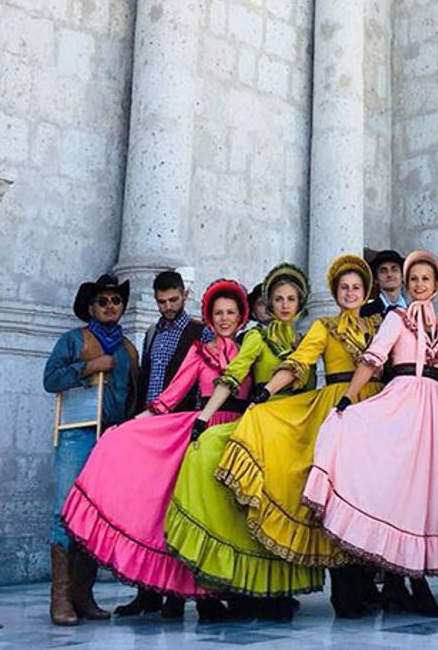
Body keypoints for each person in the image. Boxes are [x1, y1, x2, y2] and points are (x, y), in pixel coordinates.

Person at [62, 279, 254, 622]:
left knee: (232, 518)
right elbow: (171, 394)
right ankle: (202, 598)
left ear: (241, 317)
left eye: (231, 312)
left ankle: (235, 592)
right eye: (219, 313)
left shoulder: (253, 348)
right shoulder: (200, 351)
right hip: (205, 432)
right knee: (200, 516)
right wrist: (133, 424)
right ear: (210, 317)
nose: (225, 318)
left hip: (242, 434)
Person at [216, 255, 384, 619]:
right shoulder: (323, 326)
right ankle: (345, 590)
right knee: (340, 494)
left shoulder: (379, 324)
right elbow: (300, 363)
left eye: (356, 287)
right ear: (336, 294)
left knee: (370, 495)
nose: (351, 293)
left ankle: (369, 582)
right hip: (339, 409)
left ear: (366, 291)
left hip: (376, 409)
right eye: (344, 288)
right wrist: (265, 392)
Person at [163, 264, 322, 618]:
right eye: (277, 298)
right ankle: (245, 592)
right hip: (264, 428)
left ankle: (278, 593)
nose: (284, 305)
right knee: (257, 510)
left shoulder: (308, 341)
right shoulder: (255, 338)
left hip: (298, 433)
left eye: (291, 299)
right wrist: (204, 418)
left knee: (288, 511)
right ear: (268, 302)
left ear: (300, 304)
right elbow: (233, 376)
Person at [304, 250, 438, 617]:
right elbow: (373, 359)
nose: (418, 285)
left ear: (436, 285)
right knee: (399, 491)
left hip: (433, 407)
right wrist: (348, 400)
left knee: (426, 493)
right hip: (400, 400)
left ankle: (412, 580)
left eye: (425, 280)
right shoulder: (395, 319)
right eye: (413, 279)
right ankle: (405, 582)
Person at [43, 273, 139, 626]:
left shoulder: (128, 348)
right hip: (77, 435)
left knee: (96, 516)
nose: (110, 306)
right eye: (103, 301)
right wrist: (89, 367)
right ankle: (61, 598)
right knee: (64, 512)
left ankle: (83, 595)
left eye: (116, 301)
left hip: (112, 440)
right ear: (90, 308)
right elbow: (50, 379)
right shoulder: (73, 340)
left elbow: (134, 396)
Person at [117, 269, 206, 618]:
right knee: (147, 513)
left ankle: (176, 596)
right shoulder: (153, 332)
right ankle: (147, 593)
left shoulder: (200, 330)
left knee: (175, 510)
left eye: (173, 300)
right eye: (162, 301)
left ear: (184, 295)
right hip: (149, 427)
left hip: (179, 427)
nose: (168, 306)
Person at [360, 248, 407, 319]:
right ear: (376, 279)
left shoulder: (414, 312)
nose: (389, 274)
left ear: (403, 276)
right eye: (383, 271)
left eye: (394, 269)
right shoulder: (364, 313)